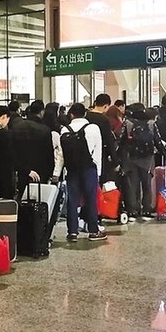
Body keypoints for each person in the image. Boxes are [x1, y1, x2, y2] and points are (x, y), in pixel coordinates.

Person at [57, 103, 107, 242]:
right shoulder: (93, 128)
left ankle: (72, 232)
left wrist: (57, 173)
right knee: (91, 199)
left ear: (71, 115)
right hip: (89, 169)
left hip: (71, 169)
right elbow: (98, 152)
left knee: (72, 200)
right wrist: (99, 172)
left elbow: (61, 155)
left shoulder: (64, 130)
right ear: (84, 114)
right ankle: (93, 230)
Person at [119, 103, 166, 221]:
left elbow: (120, 142)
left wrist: (118, 158)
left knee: (133, 185)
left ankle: (132, 211)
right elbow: (158, 142)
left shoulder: (128, 124)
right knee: (146, 185)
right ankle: (146, 210)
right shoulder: (151, 124)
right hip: (147, 159)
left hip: (131, 158)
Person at [11, 100, 54, 198]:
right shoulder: (45, 130)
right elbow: (49, 154)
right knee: (40, 200)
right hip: (41, 171)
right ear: (42, 112)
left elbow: (12, 151)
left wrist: (22, 169)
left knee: (23, 198)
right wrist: (50, 173)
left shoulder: (16, 128)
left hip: (23, 171)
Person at [85, 94, 119, 183]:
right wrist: (115, 160)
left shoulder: (86, 116)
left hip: (84, 152)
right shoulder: (104, 119)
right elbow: (109, 140)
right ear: (106, 106)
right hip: (100, 154)